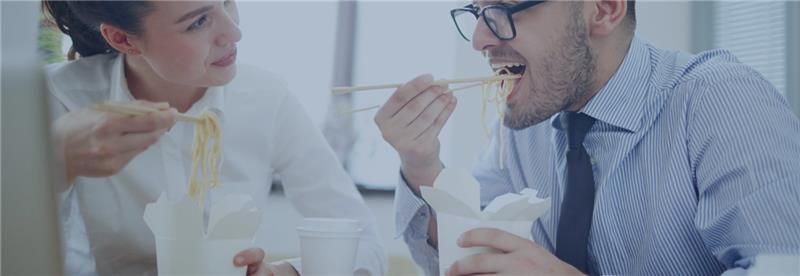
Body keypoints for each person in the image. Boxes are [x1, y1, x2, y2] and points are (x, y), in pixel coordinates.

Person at [375, 0, 800, 275]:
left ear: (604, 9)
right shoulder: (527, 120)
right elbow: (472, 251)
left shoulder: (720, 99)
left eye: (504, 10)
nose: (480, 39)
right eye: (478, 13)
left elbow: (781, 268)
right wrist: (421, 163)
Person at [43, 1, 386, 275]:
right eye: (198, 22)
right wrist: (54, 164)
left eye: (227, 2)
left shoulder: (267, 98)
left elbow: (364, 246)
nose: (234, 33)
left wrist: (282, 272)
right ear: (122, 39)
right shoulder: (57, 97)